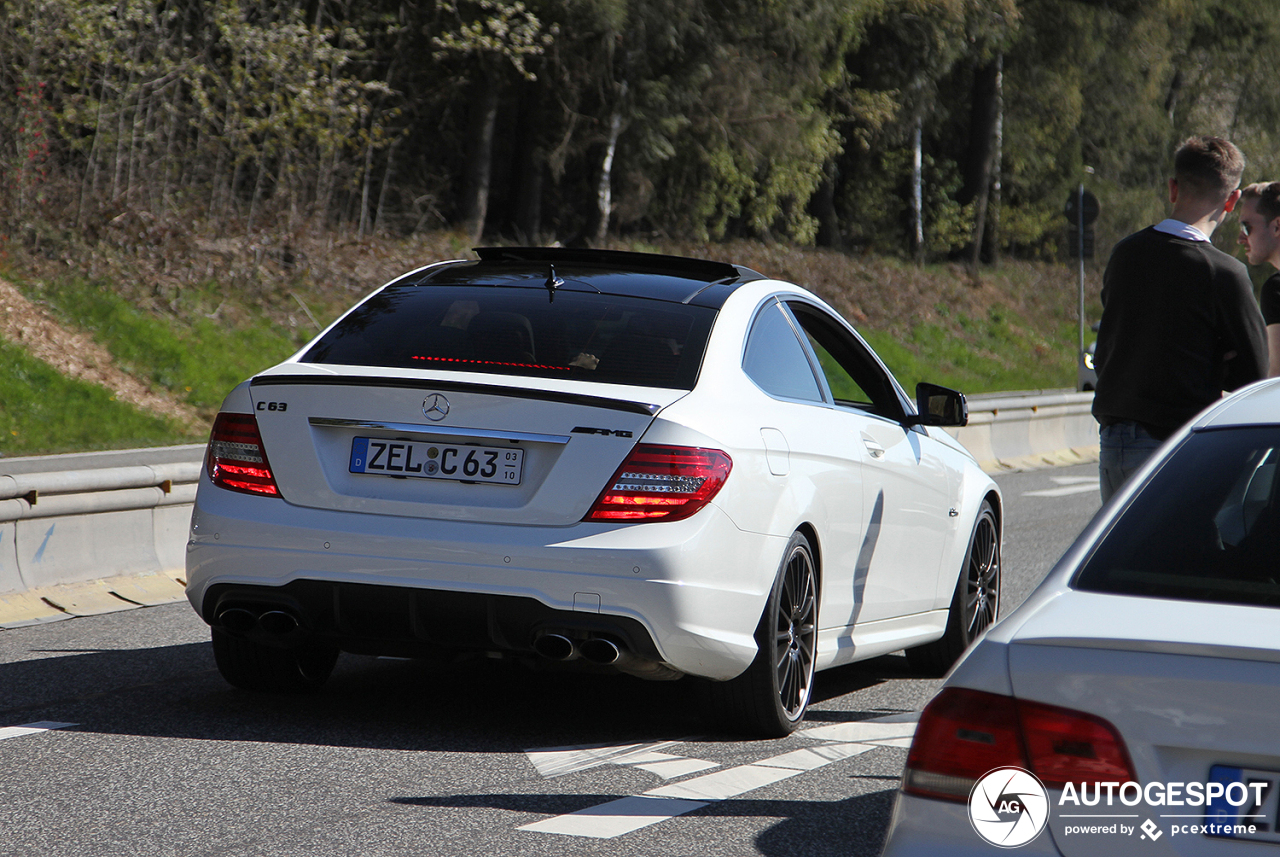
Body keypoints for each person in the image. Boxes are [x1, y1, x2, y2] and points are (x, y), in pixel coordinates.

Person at [1092, 135, 1267, 504]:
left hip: (1113, 441)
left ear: (1173, 187)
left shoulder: (1124, 254)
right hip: (1172, 445)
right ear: (1232, 201)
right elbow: (1254, 377)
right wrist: (1216, 366)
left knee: (1121, 559)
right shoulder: (1224, 273)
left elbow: (1115, 345)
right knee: (1188, 557)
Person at [1237, 181, 1280, 377]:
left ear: (1277, 226)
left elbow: (1276, 382)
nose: (1240, 238)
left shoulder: (1276, 289)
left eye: (1247, 227)